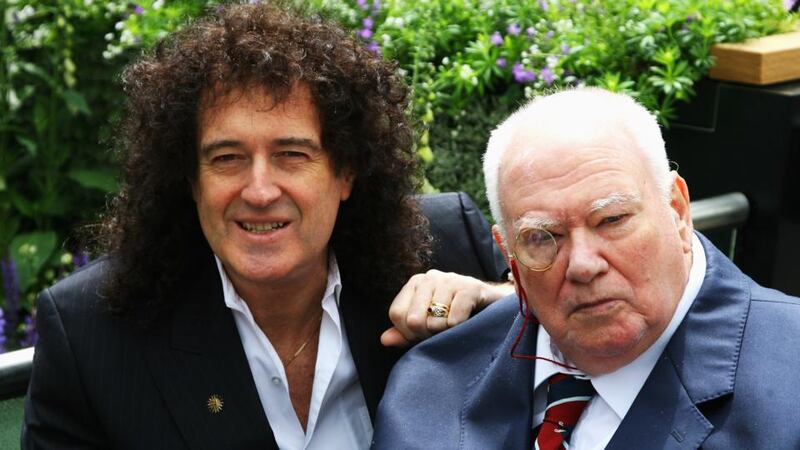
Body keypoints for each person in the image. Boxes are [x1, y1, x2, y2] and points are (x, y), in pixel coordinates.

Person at [21, 3, 511, 449]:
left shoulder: (445, 250)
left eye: (291, 155)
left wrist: (499, 301)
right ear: (190, 179)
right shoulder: (91, 335)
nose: (259, 191)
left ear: (346, 172)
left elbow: (571, 355)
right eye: (227, 158)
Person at [372, 88, 800, 449]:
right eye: (542, 237)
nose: (582, 265)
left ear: (678, 211)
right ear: (510, 255)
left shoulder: (788, 386)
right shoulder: (429, 390)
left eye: (612, 221)